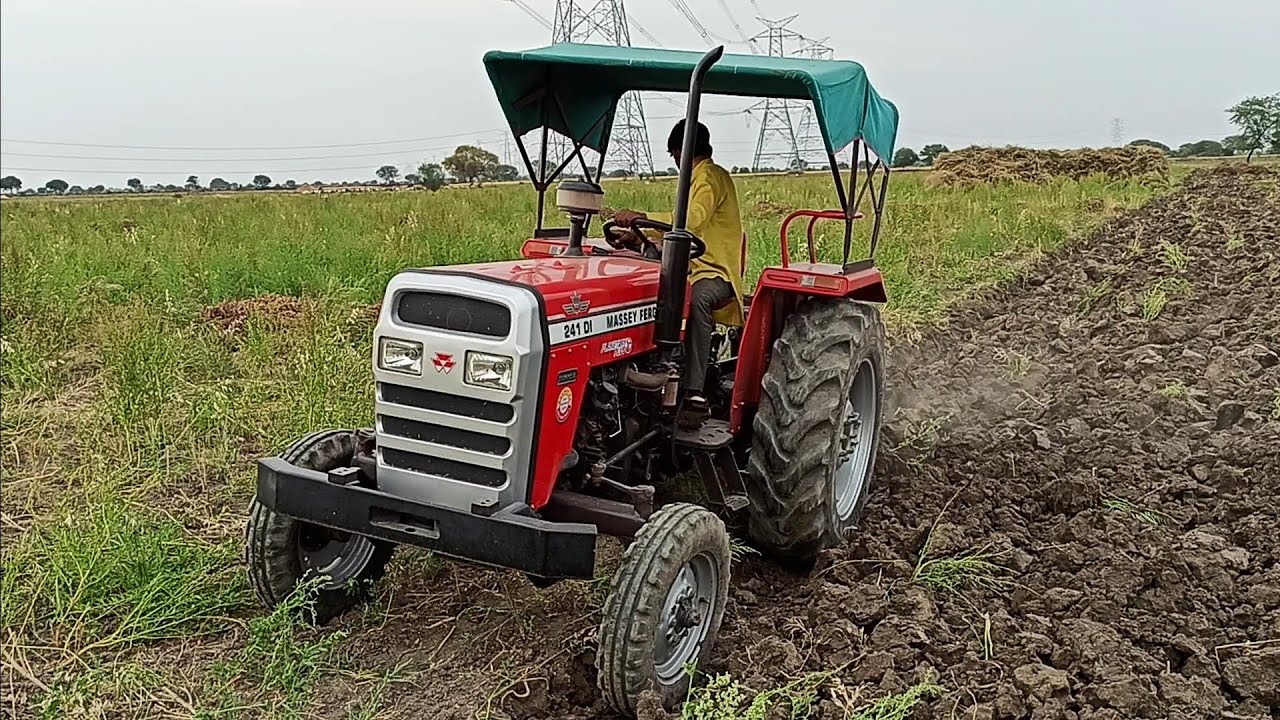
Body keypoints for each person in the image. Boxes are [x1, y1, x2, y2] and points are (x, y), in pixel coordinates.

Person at [613, 120, 745, 413]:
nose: (674, 161)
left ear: (679, 151)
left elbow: (690, 221)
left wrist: (642, 215)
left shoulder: (709, 177)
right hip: (691, 267)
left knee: (697, 300)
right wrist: (637, 237)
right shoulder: (697, 179)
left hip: (714, 271)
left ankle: (694, 390)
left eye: (674, 155)